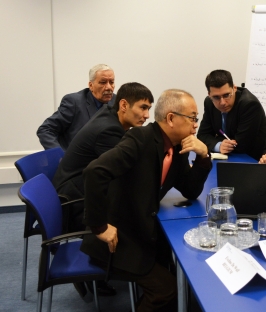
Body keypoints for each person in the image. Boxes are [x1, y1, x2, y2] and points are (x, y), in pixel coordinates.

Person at [80, 89, 212, 311]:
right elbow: (94, 172)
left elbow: (190, 190)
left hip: (143, 231)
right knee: (167, 289)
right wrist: (99, 226)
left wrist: (203, 156)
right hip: (119, 238)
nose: (195, 125)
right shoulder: (139, 139)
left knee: (182, 272)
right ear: (171, 118)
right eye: (192, 118)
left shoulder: (176, 147)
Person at [53, 82, 154, 233]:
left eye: (148, 109)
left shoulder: (109, 114)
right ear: (124, 105)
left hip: (77, 188)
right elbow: (126, 173)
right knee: (139, 217)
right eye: (143, 108)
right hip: (77, 203)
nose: (147, 116)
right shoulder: (109, 131)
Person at [37, 64, 116, 150]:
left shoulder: (117, 102)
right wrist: (59, 156)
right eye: (103, 82)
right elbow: (46, 130)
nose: (108, 87)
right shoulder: (74, 102)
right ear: (91, 85)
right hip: (78, 160)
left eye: (111, 82)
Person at [197, 69, 266, 160]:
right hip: (226, 158)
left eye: (226, 95)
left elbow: (241, 145)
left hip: (250, 159)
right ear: (209, 95)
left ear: (234, 88)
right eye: (216, 97)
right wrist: (219, 145)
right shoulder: (209, 103)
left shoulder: (249, 105)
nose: (222, 102)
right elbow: (202, 135)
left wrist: (217, 141)